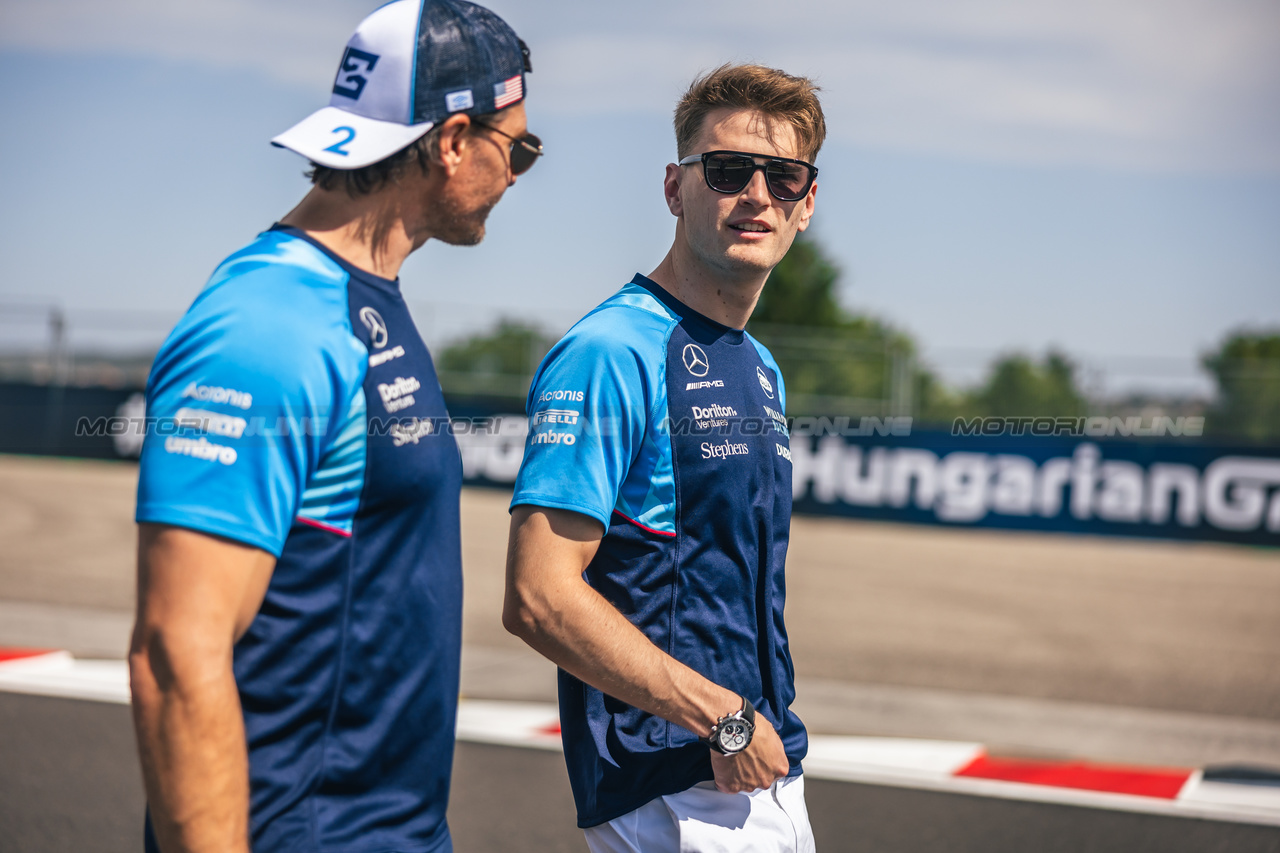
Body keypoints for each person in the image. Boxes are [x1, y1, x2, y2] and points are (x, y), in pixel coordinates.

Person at [128, 2, 540, 851]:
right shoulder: (271, 320)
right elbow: (177, 651)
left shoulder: (363, 302)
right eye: (520, 148)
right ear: (455, 140)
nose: (517, 174)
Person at [503, 64, 823, 851]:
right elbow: (538, 596)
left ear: (805, 203)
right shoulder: (609, 350)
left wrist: (747, 729)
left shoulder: (760, 363)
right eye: (726, 171)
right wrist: (723, 717)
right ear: (677, 189)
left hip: (760, 769)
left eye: (782, 176)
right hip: (674, 790)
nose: (755, 194)